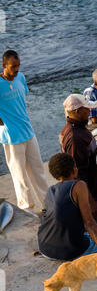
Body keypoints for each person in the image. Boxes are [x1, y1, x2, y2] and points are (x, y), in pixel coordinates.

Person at [38, 153, 97, 261]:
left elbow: (66, 222)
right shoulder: (78, 185)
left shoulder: (50, 190)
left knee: (94, 235)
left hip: (45, 247)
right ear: (73, 169)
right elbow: (89, 224)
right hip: (68, 251)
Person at [0, 50, 48, 212]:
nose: (16, 69)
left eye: (18, 65)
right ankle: (27, 209)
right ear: (4, 65)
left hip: (28, 131)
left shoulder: (21, 77)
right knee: (20, 176)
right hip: (11, 136)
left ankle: (47, 206)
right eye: (13, 66)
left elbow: (20, 101)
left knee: (38, 170)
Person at [59, 94, 97, 224]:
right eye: (87, 109)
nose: (90, 111)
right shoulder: (75, 137)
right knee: (96, 228)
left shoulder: (78, 129)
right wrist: (90, 202)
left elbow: (85, 155)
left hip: (95, 190)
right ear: (77, 111)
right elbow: (77, 173)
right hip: (91, 194)